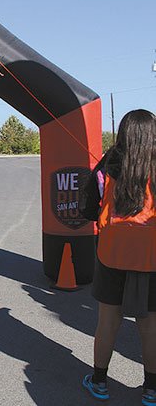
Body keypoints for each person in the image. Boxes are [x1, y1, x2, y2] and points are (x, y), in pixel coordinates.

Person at [80, 109, 156, 405]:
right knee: (150, 327)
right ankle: (151, 389)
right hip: (151, 256)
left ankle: (99, 382)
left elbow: (88, 209)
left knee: (108, 322)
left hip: (112, 254)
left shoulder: (107, 164)